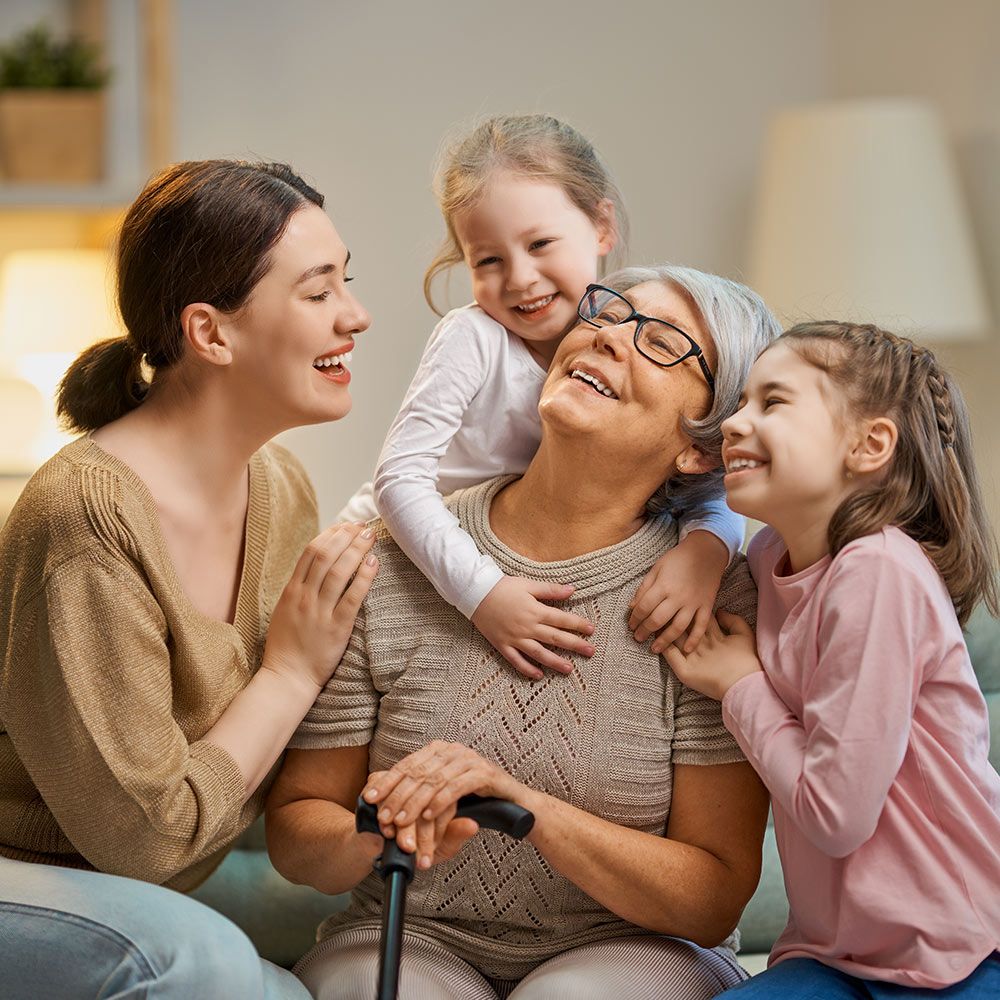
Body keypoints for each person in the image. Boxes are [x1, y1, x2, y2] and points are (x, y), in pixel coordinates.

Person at [267, 265, 780, 1000]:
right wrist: (380, 830)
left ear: (699, 448)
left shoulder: (716, 599)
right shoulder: (393, 558)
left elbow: (712, 895)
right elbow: (295, 829)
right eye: (607, 313)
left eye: (662, 341)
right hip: (414, 935)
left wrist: (521, 807)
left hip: (640, 947)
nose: (607, 337)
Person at [0, 159, 377, 1000]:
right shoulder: (85, 522)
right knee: (204, 967)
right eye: (318, 294)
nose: (356, 316)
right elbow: (143, 842)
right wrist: (288, 671)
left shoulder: (281, 487)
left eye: (347, 283)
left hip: (149, 888)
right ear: (212, 333)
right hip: (25, 878)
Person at [340, 114, 745, 680]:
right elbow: (398, 480)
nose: (520, 278)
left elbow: (714, 480)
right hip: (387, 552)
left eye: (540, 243)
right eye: (488, 260)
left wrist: (705, 554)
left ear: (602, 226)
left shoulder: (619, 341)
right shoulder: (472, 336)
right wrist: (485, 594)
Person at [666, 323, 1000, 997]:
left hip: (960, 953)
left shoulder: (878, 572)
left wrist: (742, 687)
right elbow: (708, 520)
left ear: (869, 445)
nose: (734, 422)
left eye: (773, 402)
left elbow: (835, 814)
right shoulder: (769, 559)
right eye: (739, 403)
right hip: (835, 955)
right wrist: (700, 560)